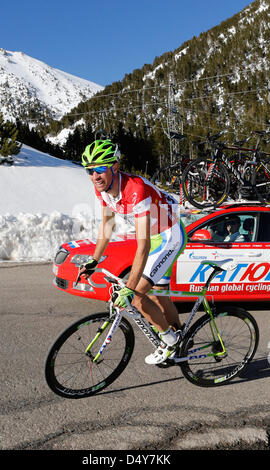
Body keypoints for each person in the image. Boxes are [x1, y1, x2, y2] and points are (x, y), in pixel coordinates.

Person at [78, 139, 187, 365]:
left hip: (168, 236)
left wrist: (130, 289)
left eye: (100, 169)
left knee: (136, 297)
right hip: (157, 236)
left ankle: (170, 341)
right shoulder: (104, 190)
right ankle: (182, 337)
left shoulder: (135, 190)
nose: (95, 176)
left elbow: (143, 245)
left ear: (115, 166)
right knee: (160, 295)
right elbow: (107, 226)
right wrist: (93, 261)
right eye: (90, 170)